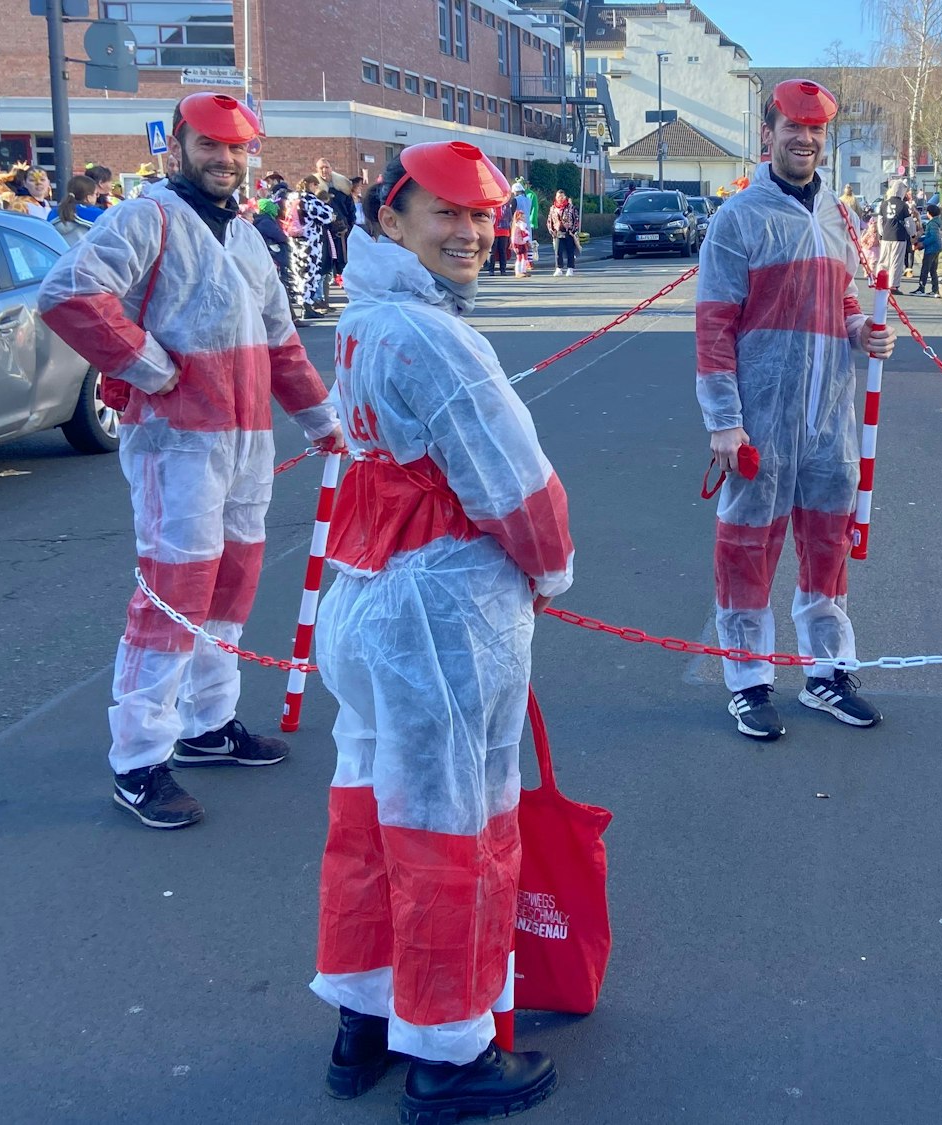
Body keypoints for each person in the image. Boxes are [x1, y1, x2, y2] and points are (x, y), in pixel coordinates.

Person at [310, 140, 571, 1124]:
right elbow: (518, 488)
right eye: (445, 215)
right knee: (449, 832)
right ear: (392, 217)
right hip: (440, 613)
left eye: (479, 215)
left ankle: (363, 1014)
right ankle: (449, 1051)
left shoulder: (368, 315)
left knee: (368, 815)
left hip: (367, 591)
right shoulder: (436, 340)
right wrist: (551, 571)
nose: (468, 232)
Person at [38, 92, 340, 829]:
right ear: (178, 144)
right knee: (175, 593)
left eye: (237, 148)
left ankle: (209, 723)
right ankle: (138, 759)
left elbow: (280, 345)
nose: (225, 159)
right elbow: (69, 293)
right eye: (210, 144)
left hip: (245, 443)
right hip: (176, 443)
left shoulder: (245, 237)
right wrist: (148, 365)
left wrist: (323, 422)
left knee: (231, 588)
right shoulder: (148, 217)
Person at [695, 78, 895, 740]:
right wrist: (724, 420)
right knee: (748, 548)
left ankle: (825, 672)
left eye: (815, 131)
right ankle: (748, 682)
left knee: (825, 546)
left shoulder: (836, 214)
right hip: (760, 416)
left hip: (829, 418)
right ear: (767, 134)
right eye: (793, 128)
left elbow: (839, 299)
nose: (805, 139)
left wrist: (862, 332)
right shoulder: (738, 220)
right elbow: (715, 328)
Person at [251, 197, 299, 317]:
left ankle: (291, 317)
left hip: (271, 257)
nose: (276, 208)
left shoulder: (264, 220)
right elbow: (280, 236)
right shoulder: (266, 222)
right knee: (281, 288)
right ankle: (290, 318)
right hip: (274, 257)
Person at [298, 174, 337, 315]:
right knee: (310, 272)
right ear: (310, 184)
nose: (316, 188)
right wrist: (330, 216)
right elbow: (326, 215)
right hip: (311, 240)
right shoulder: (309, 199)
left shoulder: (295, 198)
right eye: (315, 185)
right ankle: (307, 306)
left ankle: (306, 305)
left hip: (298, 240)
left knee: (302, 271)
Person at [875, 179, 912, 285]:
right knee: (896, 261)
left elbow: (880, 221)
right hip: (899, 236)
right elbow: (908, 222)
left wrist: (881, 233)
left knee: (883, 260)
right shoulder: (903, 205)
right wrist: (912, 233)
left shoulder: (884, 204)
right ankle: (893, 285)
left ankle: (881, 282)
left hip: (886, 236)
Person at [52, 175, 102, 244]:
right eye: (96, 194)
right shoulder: (97, 215)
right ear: (88, 197)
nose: (97, 197)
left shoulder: (54, 213)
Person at [912, 203, 942, 295]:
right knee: (933, 270)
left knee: (925, 269)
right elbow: (930, 236)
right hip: (936, 248)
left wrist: (922, 243)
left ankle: (921, 288)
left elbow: (933, 237)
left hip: (931, 249)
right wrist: (919, 240)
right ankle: (935, 289)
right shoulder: (937, 222)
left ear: (929, 213)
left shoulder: (932, 223)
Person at [547, 188, 580, 275]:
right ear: (556, 197)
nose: (560, 198)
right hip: (558, 233)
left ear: (565, 197)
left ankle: (570, 268)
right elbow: (549, 221)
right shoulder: (553, 208)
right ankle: (559, 268)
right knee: (558, 251)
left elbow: (576, 220)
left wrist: (573, 231)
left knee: (570, 251)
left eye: (562, 197)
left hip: (569, 233)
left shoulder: (571, 208)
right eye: (558, 197)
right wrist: (552, 231)